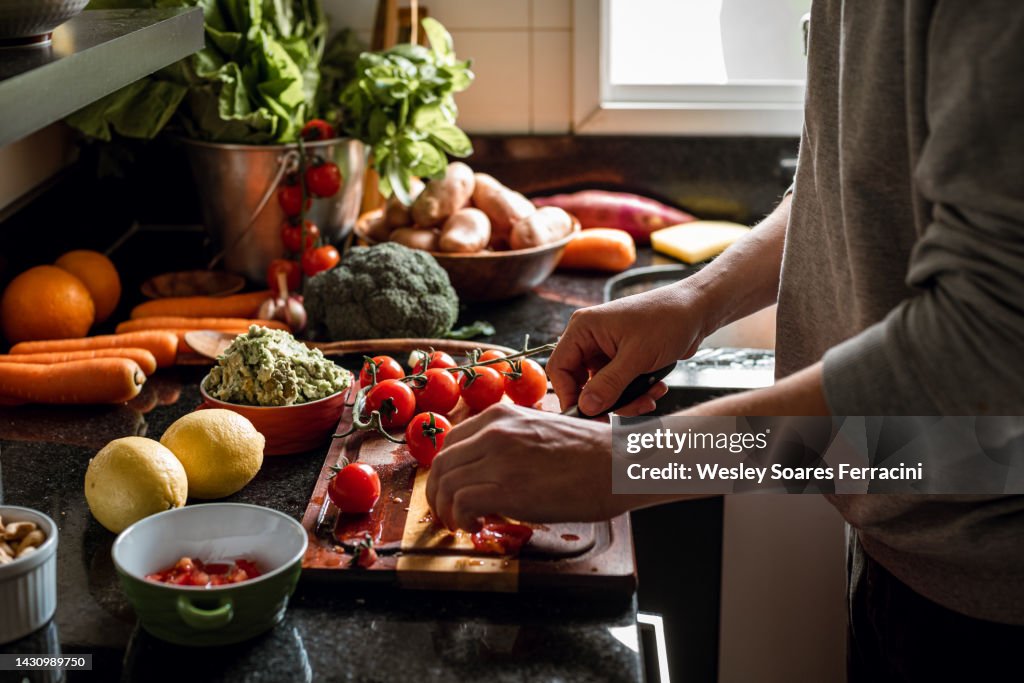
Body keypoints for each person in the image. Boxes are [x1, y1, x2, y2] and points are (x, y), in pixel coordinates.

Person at [427, 1, 1024, 679]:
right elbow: (855, 178)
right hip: (904, 541)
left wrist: (626, 464)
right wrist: (695, 299)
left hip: (996, 606)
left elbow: (989, 361)